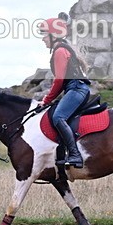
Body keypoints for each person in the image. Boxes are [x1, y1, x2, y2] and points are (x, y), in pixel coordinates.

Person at [39, 12, 91, 168]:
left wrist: (47, 99)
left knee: (58, 117)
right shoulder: (62, 49)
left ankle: (75, 155)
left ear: (53, 35)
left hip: (76, 89)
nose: (42, 39)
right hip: (75, 89)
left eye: (44, 35)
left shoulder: (60, 51)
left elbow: (60, 80)